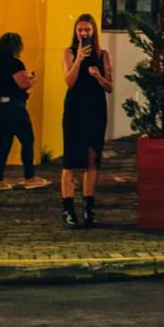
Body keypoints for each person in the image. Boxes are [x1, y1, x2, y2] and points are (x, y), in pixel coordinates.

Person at [59, 13, 111, 227]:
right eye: (80, 30)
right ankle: (68, 209)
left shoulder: (103, 55)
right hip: (75, 107)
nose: (83, 33)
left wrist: (99, 76)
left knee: (92, 158)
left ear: (94, 32)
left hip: (96, 107)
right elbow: (69, 81)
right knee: (71, 160)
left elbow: (110, 87)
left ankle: (89, 208)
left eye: (87, 30)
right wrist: (79, 58)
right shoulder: (69, 53)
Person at [0, 30, 43, 189]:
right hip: (14, 106)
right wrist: (32, 80)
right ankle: (29, 177)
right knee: (27, 140)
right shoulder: (16, 64)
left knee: (4, 142)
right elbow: (24, 84)